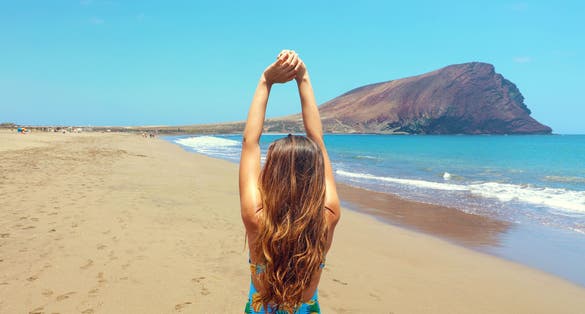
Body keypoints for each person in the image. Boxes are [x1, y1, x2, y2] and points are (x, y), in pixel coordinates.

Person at [239, 50, 341, 314]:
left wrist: (266, 81)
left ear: (272, 173)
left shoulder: (256, 219)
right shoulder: (327, 216)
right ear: (315, 176)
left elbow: (250, 143)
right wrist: (302, 77)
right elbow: (317, 139)